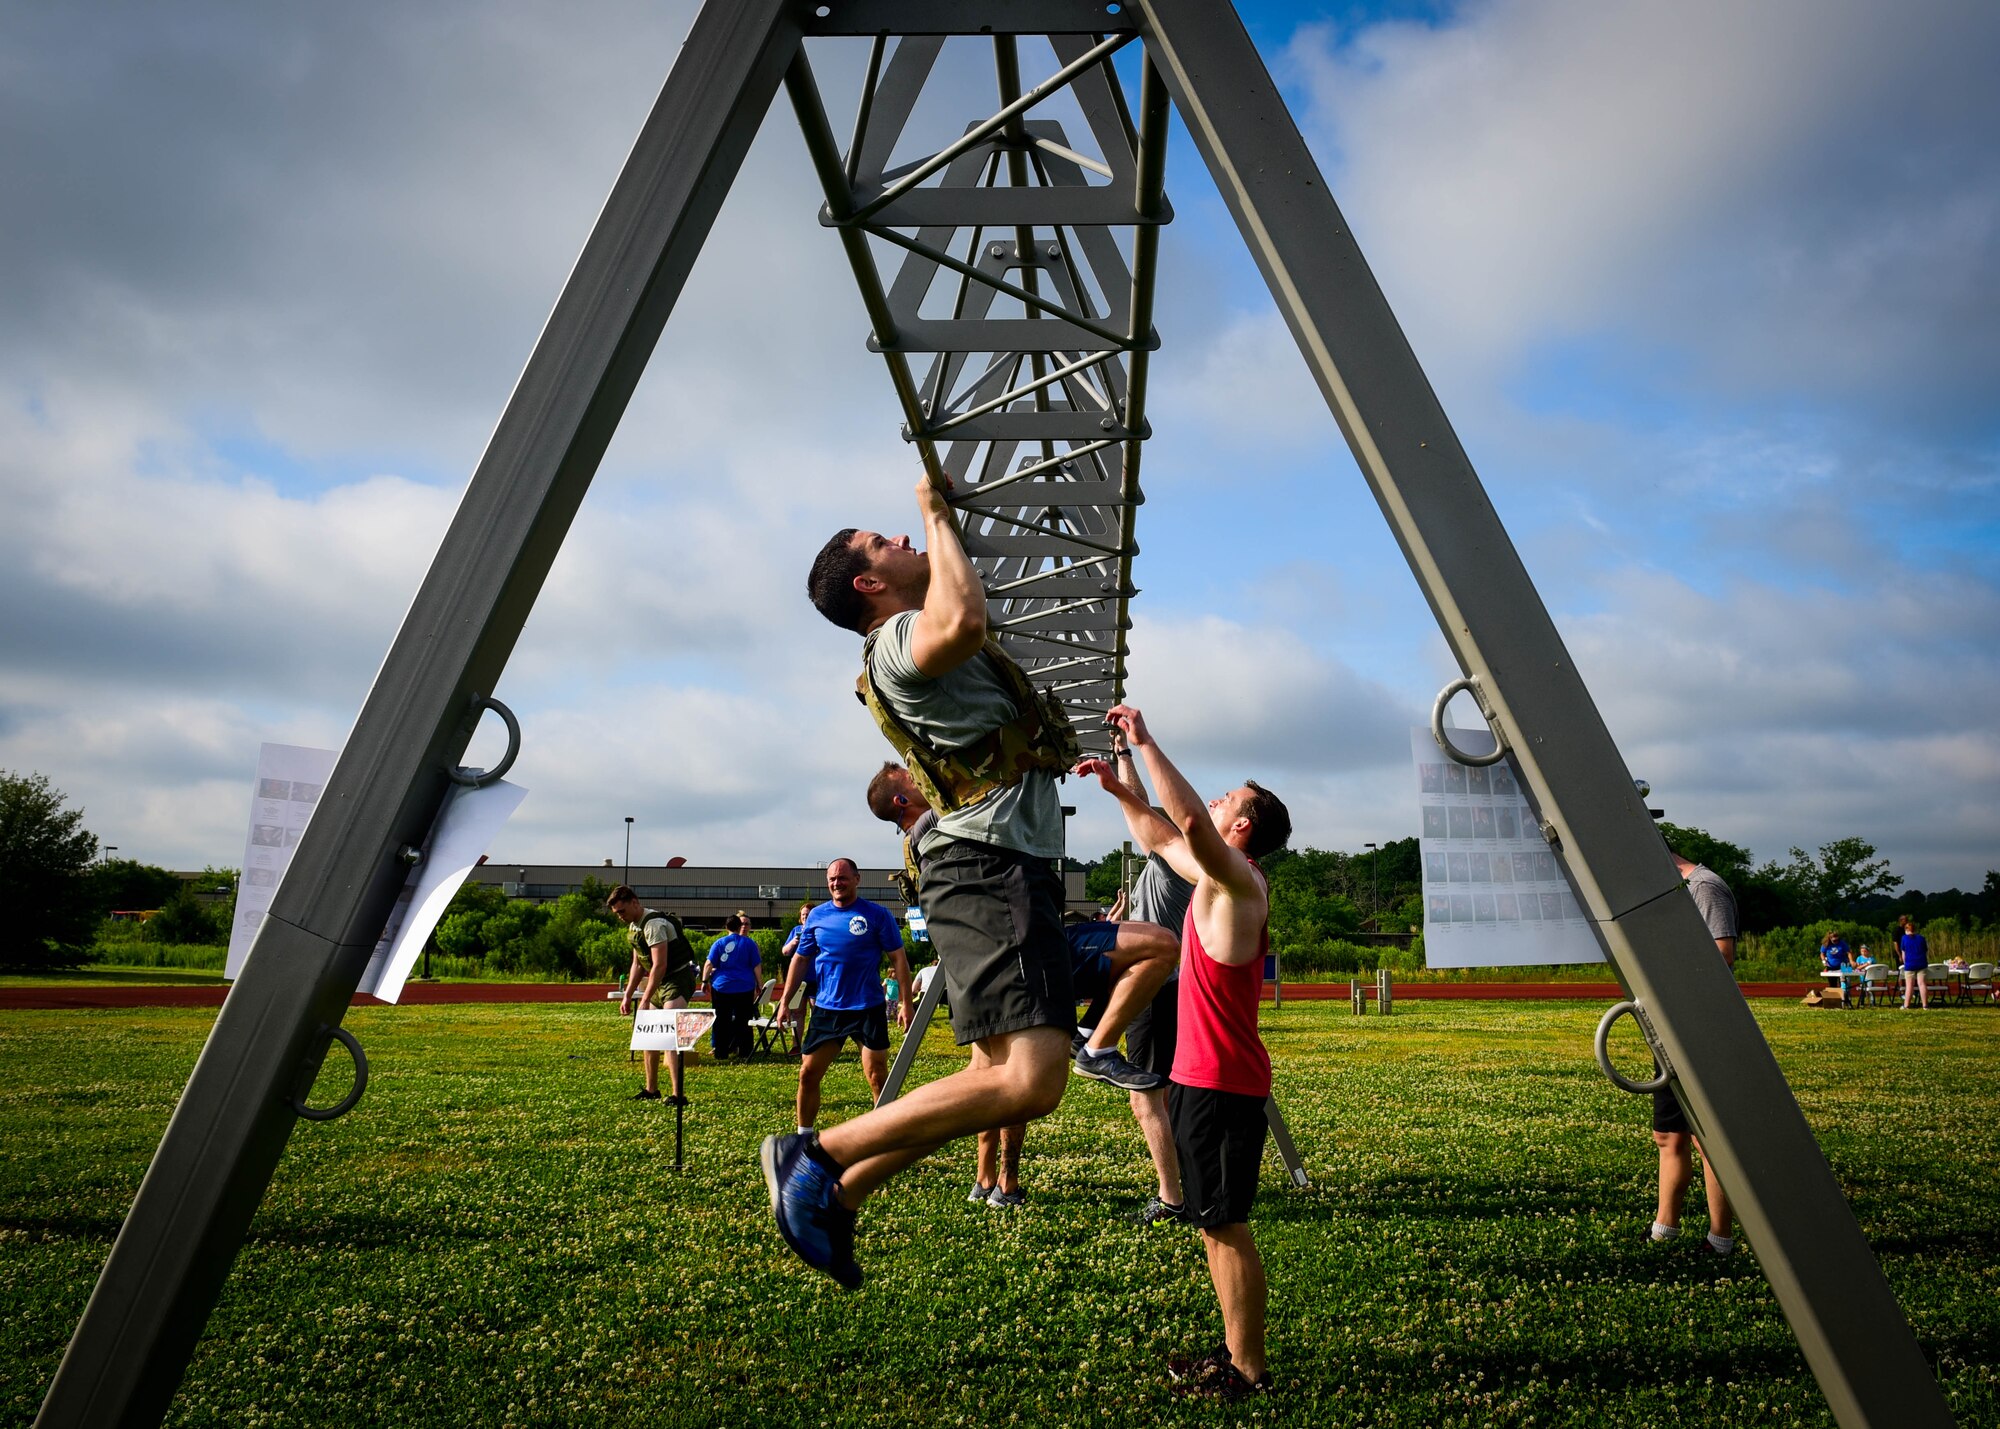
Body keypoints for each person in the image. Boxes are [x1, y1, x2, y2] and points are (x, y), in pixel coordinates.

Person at [766, 473, 1084, 1289]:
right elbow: (965, 618)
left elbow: (962, 603)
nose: (903, 541)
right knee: (1032, 1079)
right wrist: (937, 513)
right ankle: (818, 1153)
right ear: (869, 584)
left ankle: (840, 1194)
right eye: (884, 542)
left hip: (997, 865)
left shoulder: (903, 632)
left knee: (992, 1080)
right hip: (989, 865)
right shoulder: (902, 635)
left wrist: (943, 531)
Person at [1083, 702, 1288, 1401]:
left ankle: (1249, 1370)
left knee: (1226, 1225)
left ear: (1242, 827)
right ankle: (1234, 1351)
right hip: (1200, 1079)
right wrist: (1120, 788)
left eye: (1233, 795)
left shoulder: (1240, 884)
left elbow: (1190, 824)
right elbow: (1161, 831)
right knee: (1210, 1221)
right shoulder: (1208, 880)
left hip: (1225, 1084)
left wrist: (1146, 738)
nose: (1220, 793)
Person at [864, 761, 1178, 1207]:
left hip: (980, 965)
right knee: (1015, 1077)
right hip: (1015, 949)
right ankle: (1090, 1046)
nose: (925, 775)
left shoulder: (923, 842)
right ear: (901, 800)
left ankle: (988, 1177)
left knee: (993, 1075)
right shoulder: (936, 820)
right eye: (911, 775)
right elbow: (994, 778)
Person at [1075, 730, 1199, 1225]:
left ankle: (1173, 1198)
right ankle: (1087, 1032)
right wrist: (1122, 754)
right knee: (1160, 1088)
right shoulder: (1193, 857)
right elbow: (1141, 804)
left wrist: (1125, 756)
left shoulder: (1182, 854)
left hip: (1156, 989)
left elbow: (1140, 805)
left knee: (1147, 1093)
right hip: (1156, 985)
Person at [776, 859, 914, 1137]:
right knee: (807, 1074)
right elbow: (800, 959)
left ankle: (883, 1137)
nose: (836, 883)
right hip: (828, 1009)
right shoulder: (817, 916)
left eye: (842, 878)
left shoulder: (877, 915)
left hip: (868, 1007)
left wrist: (906, 1003)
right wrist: (785, 1001)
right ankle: (804, 1137)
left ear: (857, 879)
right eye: (831, 879)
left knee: (877, 1076)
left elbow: (898, 958)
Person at [1648, 843, 1740, 1255]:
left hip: (1700, 1026)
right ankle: (1663, 1231)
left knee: (1709, 1140)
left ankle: (1720, 1239)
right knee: (1668, 1135)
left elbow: (1723, 953)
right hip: (1669, 1027)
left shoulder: (1703, 886)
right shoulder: (1663, 891)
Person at [610, 885, 698, 1104]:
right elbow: (638, 964)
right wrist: (628, 994)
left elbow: (659, 965)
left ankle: (678, 1094)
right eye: (616, 913)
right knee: (649, 1032)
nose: (620, 916)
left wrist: (646, 998)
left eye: (622, 911)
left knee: (668, 1032)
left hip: (678, 978)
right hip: (660, 981)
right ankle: (652, 1089)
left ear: (634, 902)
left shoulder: (654, 925)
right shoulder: (634, 927)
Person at [698, 914, 762, 1062]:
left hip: (722, 986)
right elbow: (756, 966)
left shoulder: (719, 943)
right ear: (740, 927)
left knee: (721, 1020)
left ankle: (721, 1052)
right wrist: (759, 984)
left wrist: (704, 980)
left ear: (726, 927)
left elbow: (709, 964)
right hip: (744, 986)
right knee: (744, 1020)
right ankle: (745, 1051)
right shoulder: (750, 944)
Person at [1898, 915, 1930, 1009]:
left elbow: (1903, 953)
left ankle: (1906, 1005)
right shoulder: (1921, 938)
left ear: (1906, 930)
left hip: (1910, 964)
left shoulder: (1904, 938)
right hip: (1921, 962)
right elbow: (1925, 950)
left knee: (1909, 986)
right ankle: (1925, 1005)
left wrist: (1905, 963)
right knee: (1922, 984)